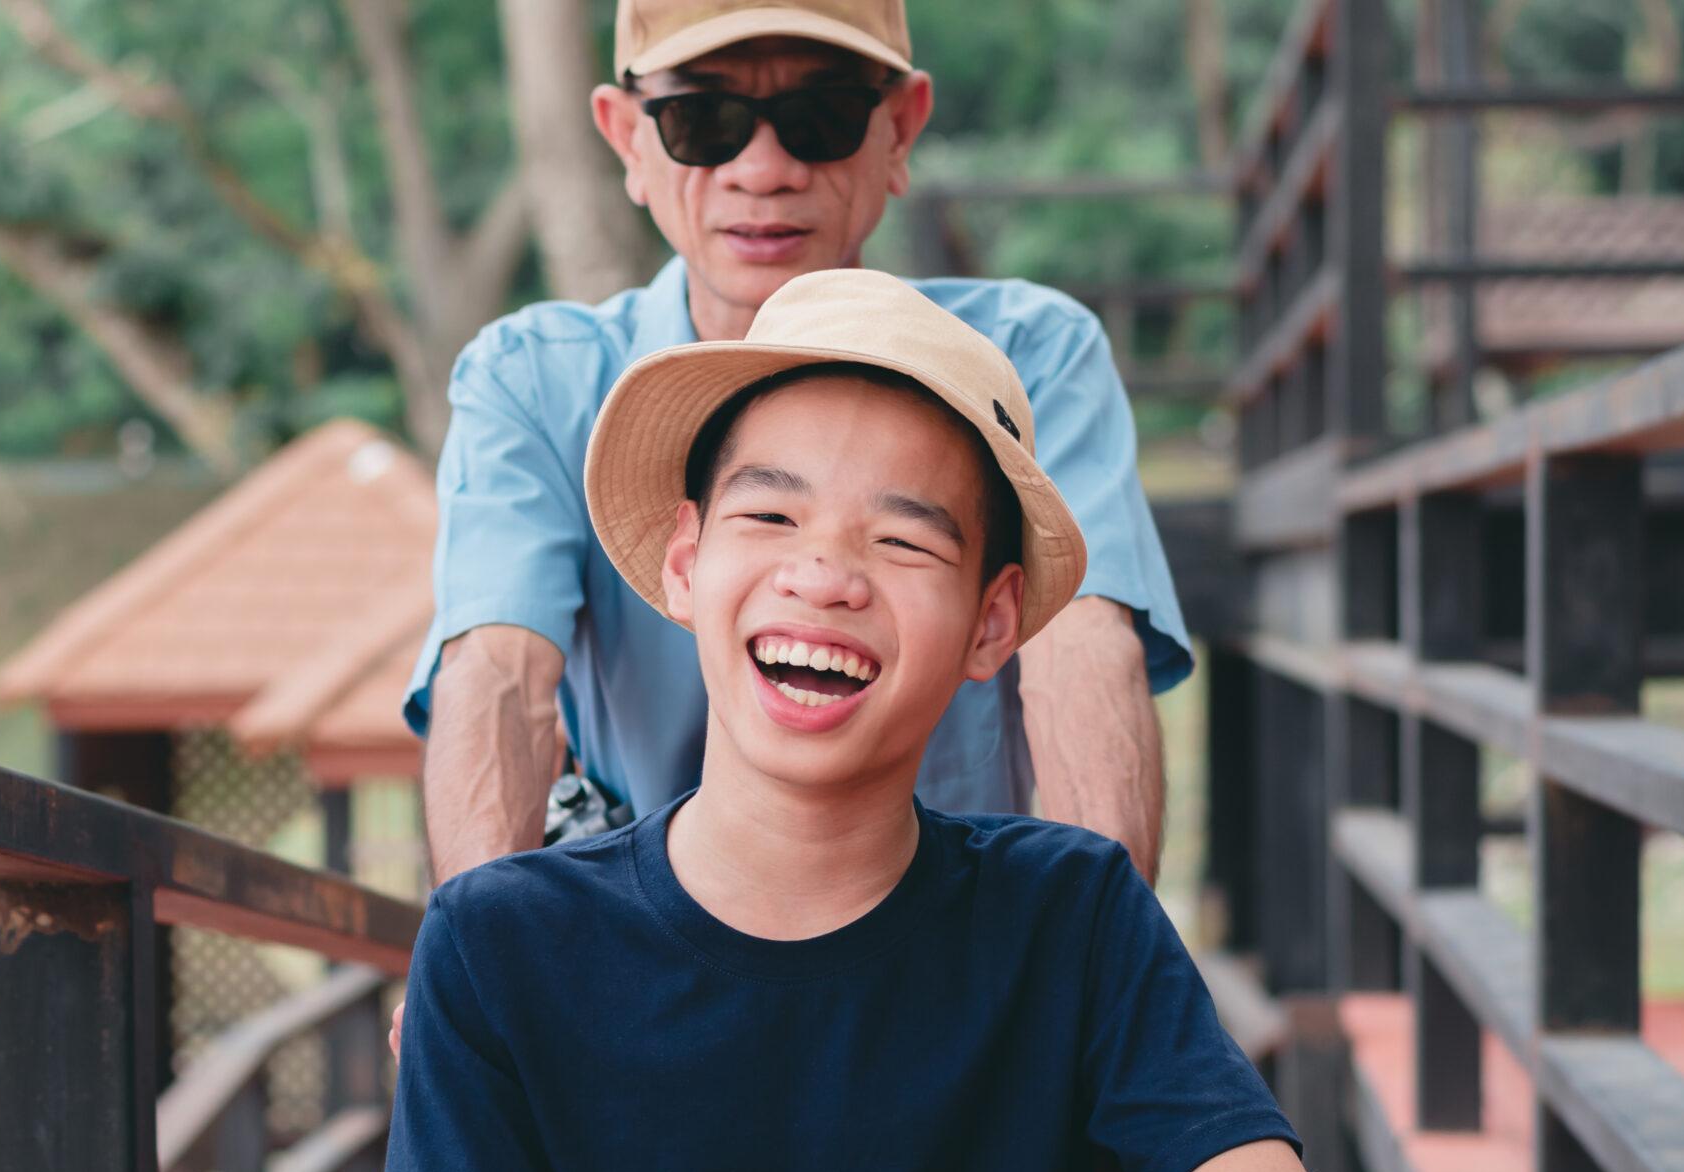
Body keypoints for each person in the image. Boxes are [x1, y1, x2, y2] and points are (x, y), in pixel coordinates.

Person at [371, 271, 1364, 1172]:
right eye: (771, 520)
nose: (824, 573)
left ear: (990, 626)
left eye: (904, 538)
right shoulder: (504, 939)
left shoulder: (1064, 914)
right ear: (684, 564)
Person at [407, 0, 1181, 893]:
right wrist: (477, 971)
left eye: (822, 116)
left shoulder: (1030, 358)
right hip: (645, 961)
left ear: (901, 129)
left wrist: (1100, 968)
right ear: (628, 138)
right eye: (703, 119)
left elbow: (1081, 646)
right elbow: (498, 672)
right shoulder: (534, 383)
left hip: (960, 959)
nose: (764, 169)